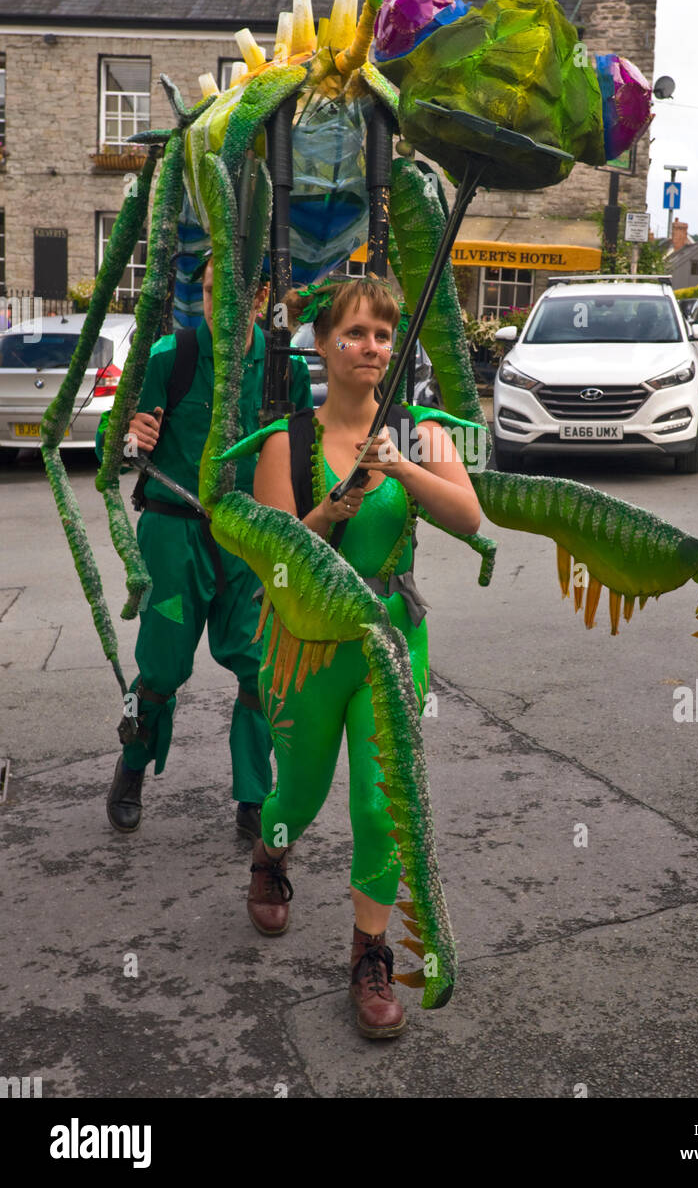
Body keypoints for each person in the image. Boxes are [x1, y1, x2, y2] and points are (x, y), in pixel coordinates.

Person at [247, 275, 482, 1039]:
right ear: (320, 345)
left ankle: (370, 956)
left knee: (383, 807)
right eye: (353, 333)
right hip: (310, 646)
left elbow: (468, 516)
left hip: (389, 642)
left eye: (382, 335)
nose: (371, 347)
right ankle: (271, 854)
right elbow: (272, 558)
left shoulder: (416, 431)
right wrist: (325, 512)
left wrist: (403, 468)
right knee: (302, 794)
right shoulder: (288, 439)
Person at [104, 258, 312, 839]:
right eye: (212, 290)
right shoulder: (173, 357)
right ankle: (131, 763)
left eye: (237, 291)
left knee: (259, 669)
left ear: (262, 294)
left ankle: (253, 796)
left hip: (250, 541)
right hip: (174, 536)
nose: (222, 304)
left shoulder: (282, 370)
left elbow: (301, 457)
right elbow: (109, 437)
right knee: (160, 668)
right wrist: (128, 436)